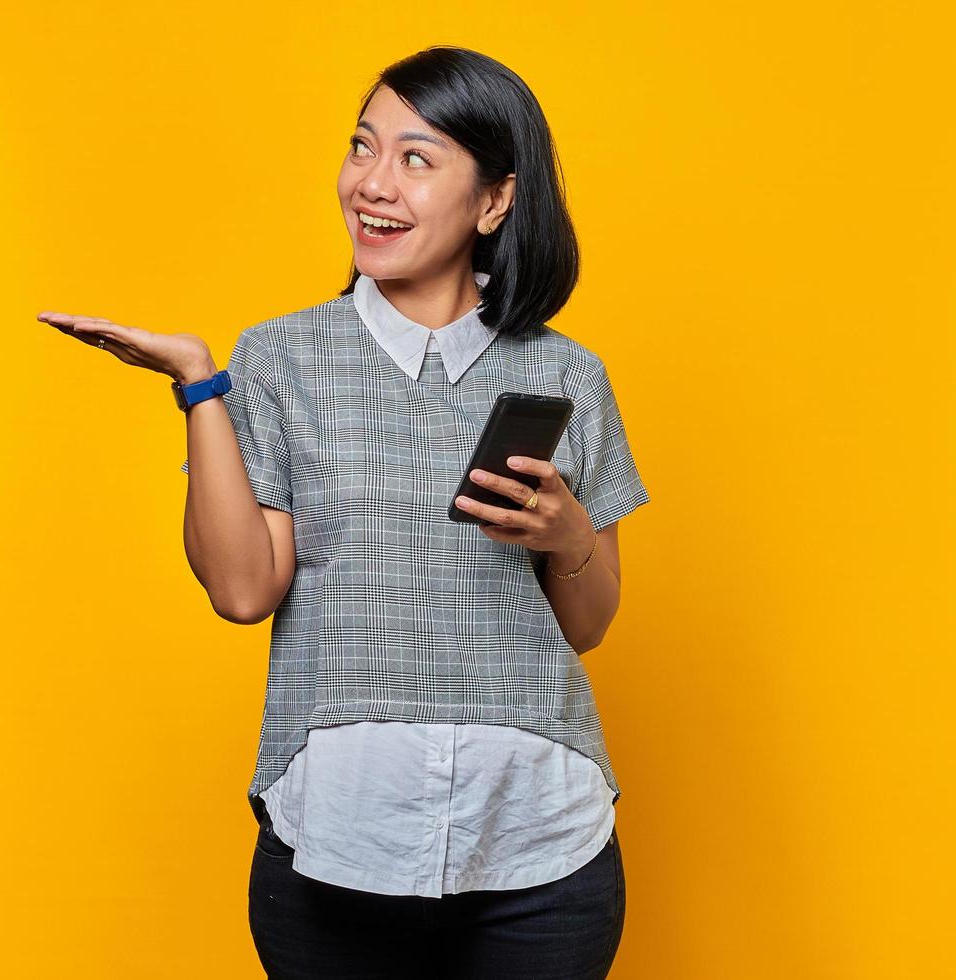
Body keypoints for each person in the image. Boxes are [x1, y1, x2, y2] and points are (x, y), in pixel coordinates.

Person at [39, 45, 648, 980]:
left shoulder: (566, 373)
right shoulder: (280, 359)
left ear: (495, 201)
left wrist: (567, 535)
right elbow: (244, 592)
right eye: (363, 147)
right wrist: (201, 385)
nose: (372, 183)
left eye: (416, 158)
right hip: (338, 840)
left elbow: (592, 623)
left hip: (539, 839)